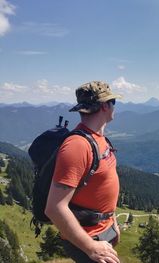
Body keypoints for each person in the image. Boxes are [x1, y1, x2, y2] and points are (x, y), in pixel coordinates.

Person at [45, 81, 122, 263]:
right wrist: (90, 247)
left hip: (102, 230)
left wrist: (112, 222)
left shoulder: (98, 139)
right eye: (113, 102)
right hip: (89, 238)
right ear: (104, 106)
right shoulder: (78, 146)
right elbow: (54, 208)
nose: (114, 107)